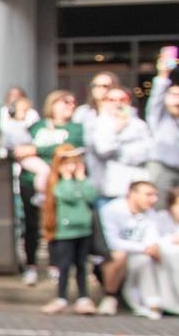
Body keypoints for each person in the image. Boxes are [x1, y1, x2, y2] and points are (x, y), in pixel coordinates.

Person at [16, 90, 84, 282]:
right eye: (65, 102)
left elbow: (69, 149)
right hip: (31, 180)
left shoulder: (75, 128)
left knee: (55, 223)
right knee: (31, 224)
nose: (70, 105)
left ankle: (57, 264)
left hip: (59, 183)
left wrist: (37, 149)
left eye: (73, 102)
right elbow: (21, 147)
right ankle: (31, 265)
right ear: (53, 104)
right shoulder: (37, 126)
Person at [40, 146, 98, 315]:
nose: (71, 167)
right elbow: (68, 196)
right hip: (65, 232)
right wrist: (66, 179)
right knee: (64, 266)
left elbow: (91, 196)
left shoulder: (82, 182)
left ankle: (83, 297)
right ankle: (61, 297)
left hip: (83, 230)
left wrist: (81, 180)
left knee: (81, 265)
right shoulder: (58, 184)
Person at [98, 180, 162, 318]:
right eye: (148, 194)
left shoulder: (150, 213)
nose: (153, 199)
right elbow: (111, 242)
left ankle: (154, 301)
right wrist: (144, 248)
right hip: (106, 257)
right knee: (119, 256)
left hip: (137, 255)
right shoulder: (112, 210)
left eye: (155, 195)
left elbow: (152, 239)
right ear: (133, 194)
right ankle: (110, 297)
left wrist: (151, 248)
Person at [89, 86, 153, 207]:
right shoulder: (97, 124)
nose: (117, 103)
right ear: (104, 102)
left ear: (128, 101)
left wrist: (120, 153)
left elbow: (146, 153)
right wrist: (116, 130)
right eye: (111, 99)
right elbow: (103, 149)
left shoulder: (139, 125)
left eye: (122, 99)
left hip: (136, 190)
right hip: (109, 191)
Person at [145, 50, 179, 195]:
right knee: (159, 210)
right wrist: (163, 74)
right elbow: (156, 99)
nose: (177, 99)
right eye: (173, 95)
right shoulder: (158, 117)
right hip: (162, 169)